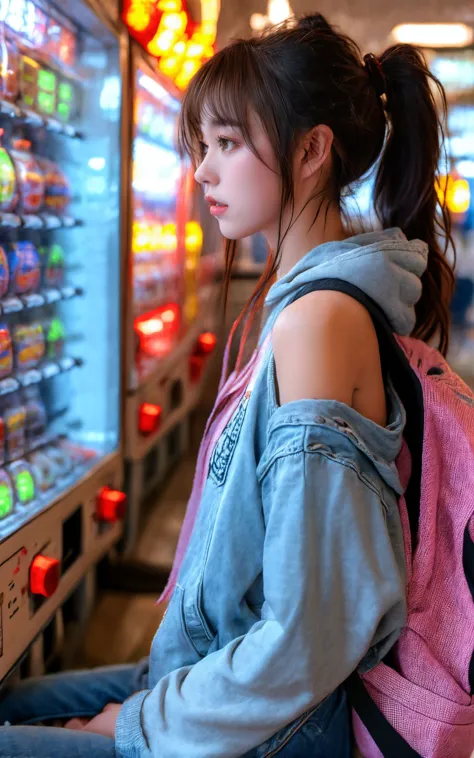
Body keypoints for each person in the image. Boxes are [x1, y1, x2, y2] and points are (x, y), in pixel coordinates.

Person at [0, 12, 454, 758]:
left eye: (226, 143)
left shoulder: (321, 321)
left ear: (312, 150)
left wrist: (138, 722)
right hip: (229, 680)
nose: (202, 170)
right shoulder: (309, 304)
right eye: (199, 146)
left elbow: (309, 637)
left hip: (272, 727)